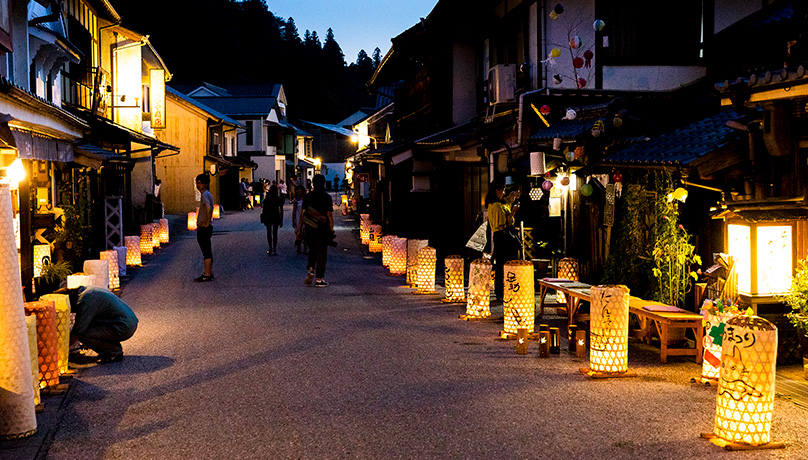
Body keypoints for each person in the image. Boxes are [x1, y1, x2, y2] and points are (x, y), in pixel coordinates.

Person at [64, 286, 138, 367]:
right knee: (87, 328)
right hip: (126, 322)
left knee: (84, 335)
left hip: (123, 327)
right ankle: (113, 348)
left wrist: (63, 348)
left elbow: (79, 331)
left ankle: (113, 352)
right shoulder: (88, 291)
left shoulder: (86, 300)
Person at [486, 177, 520, 302]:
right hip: (502, 236)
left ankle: (504, 291)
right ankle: (502, 292)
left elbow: (507, 201)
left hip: (501, 236)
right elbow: (505, 223)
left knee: (503, 264)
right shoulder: (496, 206)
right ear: (497, 191)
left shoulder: (498, 203)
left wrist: (513, 195)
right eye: (503, 190)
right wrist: (513, 212)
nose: (504, 192)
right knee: (503, 265)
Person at [298, 174, 334, 287]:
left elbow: (303, 214)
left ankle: (310, 270)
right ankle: (319, 279)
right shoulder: (327, 197)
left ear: (313, 183)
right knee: (322, 253)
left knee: (312, 250)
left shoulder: (308, 197)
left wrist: (299, 230)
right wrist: (331, 230)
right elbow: (329, 215)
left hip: (310, 227)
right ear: (323, 183)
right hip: (323, 229)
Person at [195, 173, 215, 282]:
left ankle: (207, 274)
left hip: (204, 227)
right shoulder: (208, 194)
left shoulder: (204, 195)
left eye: (200, 183)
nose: (198, 185)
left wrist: (207, 223)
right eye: (197, 183)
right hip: (205, 226)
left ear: (205, 184)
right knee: (207, 249)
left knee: (205, 250)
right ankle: (209, 272)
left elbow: (208, 208)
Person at [262, 184, 284, 255]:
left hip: (268, 216)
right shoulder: (278, 199)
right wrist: (281, 220)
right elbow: (281, 210)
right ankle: (274, 249)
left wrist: (264, 218)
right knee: (275, 233)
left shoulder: (267, 199)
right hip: (276, 216)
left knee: (269, 233)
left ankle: (270, 248)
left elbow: (264, 210)